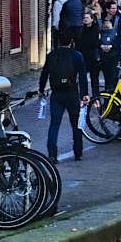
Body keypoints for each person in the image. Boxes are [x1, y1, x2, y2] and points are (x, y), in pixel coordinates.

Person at [38, 33, 88, 163]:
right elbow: (82, 76)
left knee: (54, 124)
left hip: (57, 94)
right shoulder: (77, 56)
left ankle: (52, 154)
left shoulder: (51, 56)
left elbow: (44, 74)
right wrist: (84, 94)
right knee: (75, 124)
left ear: (58, 41)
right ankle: (78, 152)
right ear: (71, 41)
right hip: (72, 94)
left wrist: (41, 90)